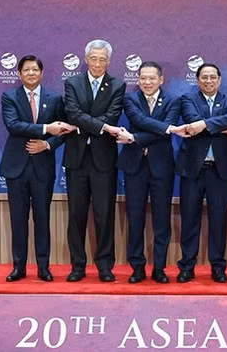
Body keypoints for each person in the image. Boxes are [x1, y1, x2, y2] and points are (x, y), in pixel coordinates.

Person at [0, 55, 75, 282]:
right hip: (16, 169)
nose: (31, 73)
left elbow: (64, 131)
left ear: (41, 73)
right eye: (26, 70)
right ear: (19, 74)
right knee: (18, 220)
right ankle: (19, 267)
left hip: (43, 168)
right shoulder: (9, 96)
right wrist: (45, 128)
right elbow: (13, 125)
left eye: (35, 70)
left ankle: (43, 267)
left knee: (43, 218)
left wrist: (47, 143)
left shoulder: (54, 98)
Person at [175, 63, 227, 283]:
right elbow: (190, 120)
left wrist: (203, 124)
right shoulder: (187, 100)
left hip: (220, 170)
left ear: (219, 80)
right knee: (189, 219)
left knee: (218, 220)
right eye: (204, 77)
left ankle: (218, 266)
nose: (208, 81)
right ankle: (187, 265)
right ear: (197, 80)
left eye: (212, 77)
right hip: (192, 169)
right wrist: (219, 126)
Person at [117, 62, 187, 284]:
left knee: (161, 219)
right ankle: (137, 267)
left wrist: (135, 138)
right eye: (143, 78)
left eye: (151, 78)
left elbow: (167, 130)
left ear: (161, 79)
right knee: (135, 218)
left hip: (161, 166)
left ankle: (159, 267)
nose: (147, 82)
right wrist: (164, 129)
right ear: (138, 80)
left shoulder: (174, 101)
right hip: (134, 166)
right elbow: (140, 121)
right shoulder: (130, 99)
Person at [63, 39, 126, 282]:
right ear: (86, 59)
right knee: (76, 215)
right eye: (94, 58)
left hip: (103, 160)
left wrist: (84, 126)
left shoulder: (117, 85)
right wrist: (101, 127)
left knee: (104, 214)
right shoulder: (72, 83)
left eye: (103, 59)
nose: (98, 63)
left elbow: (113, 115)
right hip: (76, 160)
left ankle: (105, 266)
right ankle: (77, 266)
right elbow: (73, 113)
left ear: (108, 62)